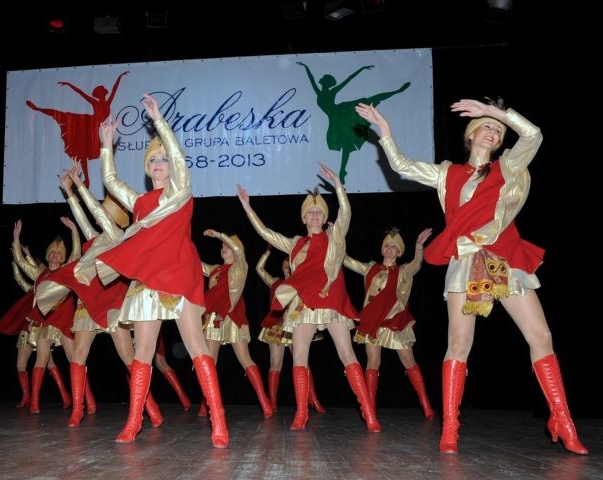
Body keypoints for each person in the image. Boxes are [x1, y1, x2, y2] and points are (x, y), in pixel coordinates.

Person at [356, 98, 587, 455]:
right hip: (465, 259)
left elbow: (534, 135)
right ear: (471, 134)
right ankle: (450, 425)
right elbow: (401, 166)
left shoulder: (508, 166)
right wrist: (384, 130)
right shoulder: (447, 174)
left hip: (505, 257)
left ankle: (562, 419)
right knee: (459, 343)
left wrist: (495, 112)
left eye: (497, 130)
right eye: (486, 127)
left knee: (541, 336)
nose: (493, 131)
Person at [73, 94, 228, 447]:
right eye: (153, 160)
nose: (159, 164)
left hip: (178, 273)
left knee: (196, 346)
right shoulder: (139, 202)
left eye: (164, 159)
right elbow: (111, 182)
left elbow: (177, 155)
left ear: (173, 165)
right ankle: (133, 422)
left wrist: (159, 121)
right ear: (147, 167)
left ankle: (219, 421)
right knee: (141, 353)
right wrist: (106, 146)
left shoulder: (181, 192)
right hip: (146, 280)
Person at [237, 163, 380, 432]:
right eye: (310, 212)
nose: (314, 215)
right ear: (303, 218)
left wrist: (338, 186)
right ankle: (301, 413)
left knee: (347, 353)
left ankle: (369, 413)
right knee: (299, 357)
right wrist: (247, 207)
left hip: (331, 299)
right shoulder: (295, 244)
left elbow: (346, 213)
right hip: (303, 303)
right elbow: (266, 233)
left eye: (319, 212)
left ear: (325, 218)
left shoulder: (334, 236)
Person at [37, 160, 163, 429]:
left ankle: (151, 409)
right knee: (78, 355)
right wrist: (69, 192)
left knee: (128, 357)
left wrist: (80, 185)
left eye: (104, 211)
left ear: (112, 217)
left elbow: (94, 211)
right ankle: (77, 410)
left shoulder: (117, 235)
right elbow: (83, 218)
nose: (98, 214)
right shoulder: (95, 239)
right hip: (87, 302)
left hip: (111, 302)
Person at [343, 228, 435, 419]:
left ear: (399, 251)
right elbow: (347, 261)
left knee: (409, 361)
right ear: (382, 248)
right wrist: (335, 240)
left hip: (395, 320)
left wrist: (418, 246)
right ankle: (370, 408)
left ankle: (425, 404)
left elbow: (416, 264)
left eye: (394, 247)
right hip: (372, 321)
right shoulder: (370, 267)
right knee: (373, 362)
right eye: (387, 245)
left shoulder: (403, 271)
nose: (389, 249)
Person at [296, 62, 410, 183]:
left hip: (341, 112)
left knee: (367, 102)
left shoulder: (332, 91)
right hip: (335, 118)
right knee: (345, 143)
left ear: (327, 83)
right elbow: (311, 78)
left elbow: (348, 80)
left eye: (325, 81)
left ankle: (397, 91)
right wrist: (306, 67)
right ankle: (342, 170)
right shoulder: (319, 92)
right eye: (324, 81)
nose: (323, 82)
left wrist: (361, 68)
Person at [200, 230, 273, 418]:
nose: (224, 248)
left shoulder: (241, 266)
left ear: (236, 249)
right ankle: (206, 404)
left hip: (233, 317)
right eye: (222, 246)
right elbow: (196, 265)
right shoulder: (215, 269)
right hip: (214, 317)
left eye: (228, 246)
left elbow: (239, 251)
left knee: (245, 359)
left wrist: (219, 235)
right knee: (209, 361)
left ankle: (265, 402)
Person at [11, 219, 79, 414]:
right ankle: (33, 401)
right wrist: (16, 238)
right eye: (53, 252)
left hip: (64, 322)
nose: (55, 254)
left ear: (63, 258)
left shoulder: (67, 270)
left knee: (76, 359)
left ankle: (84, 400)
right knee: (42, 359)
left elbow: (76, 254)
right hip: (44, 322)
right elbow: (21, 262)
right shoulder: (40, 273)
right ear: (48, 255)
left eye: (59, 253)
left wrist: (74, 231)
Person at [255, 246, 326, 413]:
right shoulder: (275, 282)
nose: (287, 268)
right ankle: (273, 403)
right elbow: (259, 269)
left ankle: (313, 400)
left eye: (290, 265)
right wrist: (267, 252)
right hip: (276, 325)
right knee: (275, 363)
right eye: (285, 265)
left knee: (303, 362)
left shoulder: (302, 283)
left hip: (295, 325)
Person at [0, 251, 69, 409]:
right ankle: (26, 398)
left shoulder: (54, 286)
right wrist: (16, 263)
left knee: (48, 362)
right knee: (21, 364)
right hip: (28, 328)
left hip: (45, 326)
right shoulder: (33, 287)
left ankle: (64, 396)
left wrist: (25, 257)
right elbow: (21, 277)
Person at [26, 71, 129, 184]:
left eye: (102, 93)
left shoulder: (108, 102)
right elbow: (81, 93)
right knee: (65, 119)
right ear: (98, 95)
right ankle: (37, 109)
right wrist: (69, 84)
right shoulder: (95, 102)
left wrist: (120, 77)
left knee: (101, 151)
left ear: (104, 94)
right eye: (100, 93)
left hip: (100, 130)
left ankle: (99, 179)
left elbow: (114, 89)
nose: (102, 95)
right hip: (90, 126)